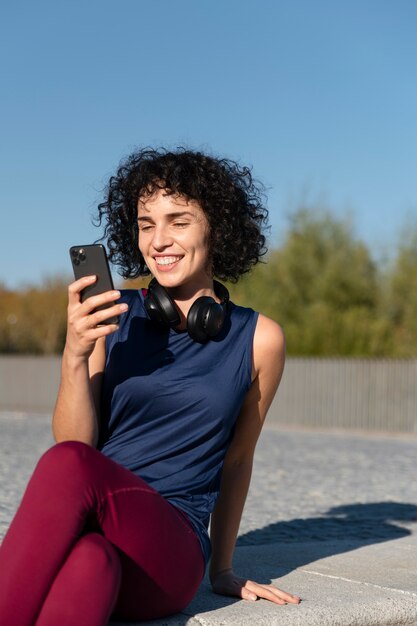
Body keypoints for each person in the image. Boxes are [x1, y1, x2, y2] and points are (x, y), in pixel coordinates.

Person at [0, 148, 300, 625]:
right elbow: (77, 445)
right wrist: (75, 354)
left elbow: (238, 459)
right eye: (145, 224)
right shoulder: (111, 315)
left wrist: (222, 568)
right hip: (99, 532)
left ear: (216, 228)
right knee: (88, 564)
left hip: (170, 551)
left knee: (67, 466)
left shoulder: (260, 339)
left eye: (178, 222)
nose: (158, 240)